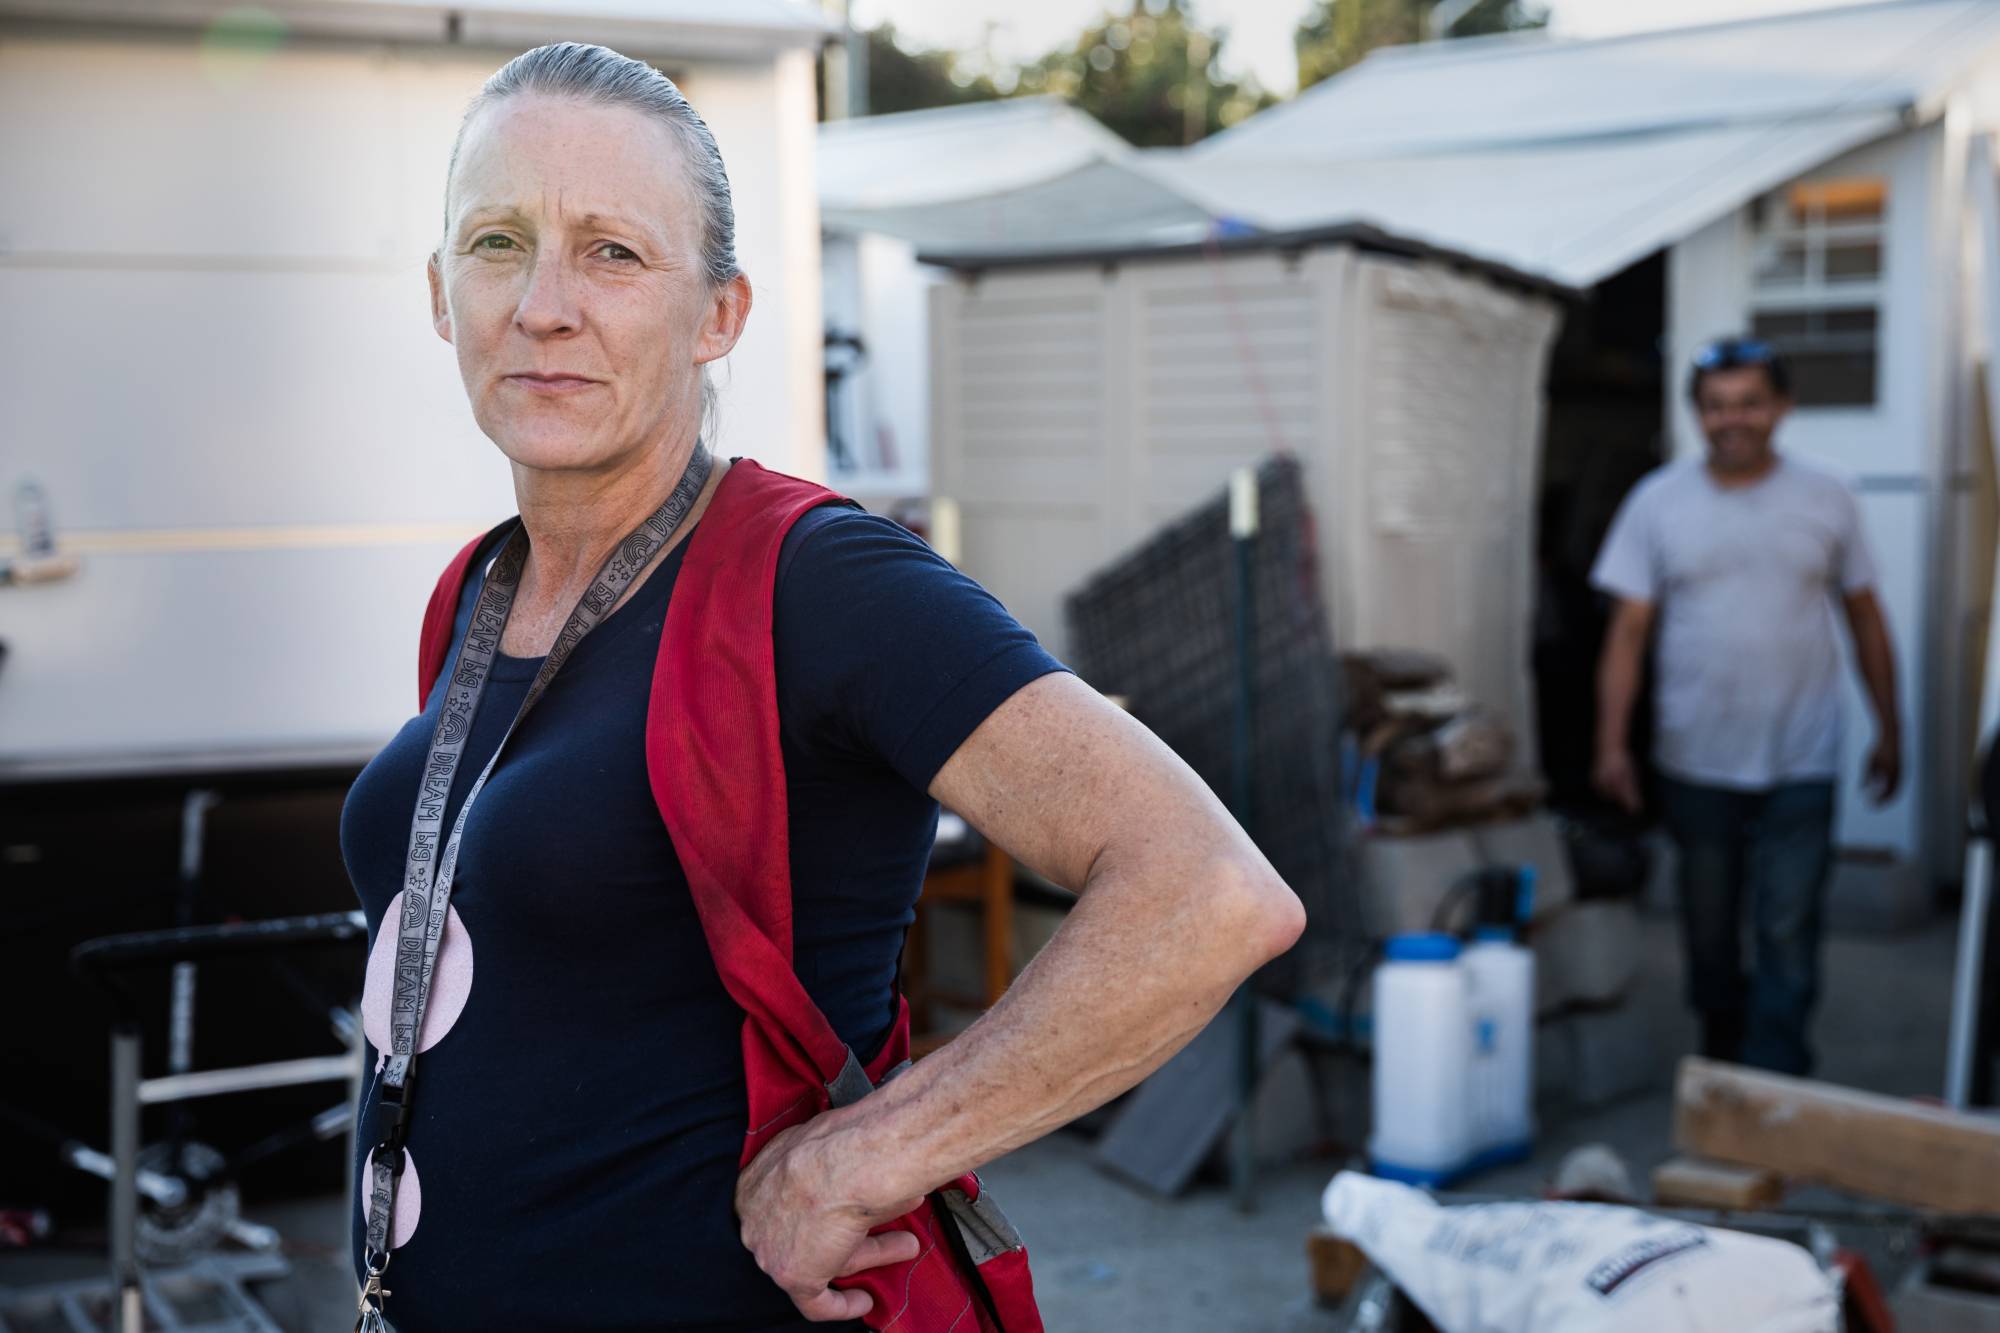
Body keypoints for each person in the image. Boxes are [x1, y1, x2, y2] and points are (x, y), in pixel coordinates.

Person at [339, 41, 1305, 1332]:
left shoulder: (814, 578)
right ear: (439, 290)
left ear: (721, 313)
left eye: (613, 252)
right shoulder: (479, 591)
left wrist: (871, 1155)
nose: (545, 304)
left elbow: (1210, 892)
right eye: (499, 241)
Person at [1591, 337, 1900, 1076]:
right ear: (1697, 414)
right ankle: (1725, 1072)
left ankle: (1779, 1083)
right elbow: (1628, 631)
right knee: (1709, 932)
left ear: (1782, 407)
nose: (1734, 419)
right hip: (1695, 755)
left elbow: (1864, 615)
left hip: (1804, 751)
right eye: (1717, 406)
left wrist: (1892, 726)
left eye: (1750, 402)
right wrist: (1611, 746)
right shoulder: (1657, 501)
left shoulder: (1830, 494)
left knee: (1789, 927)